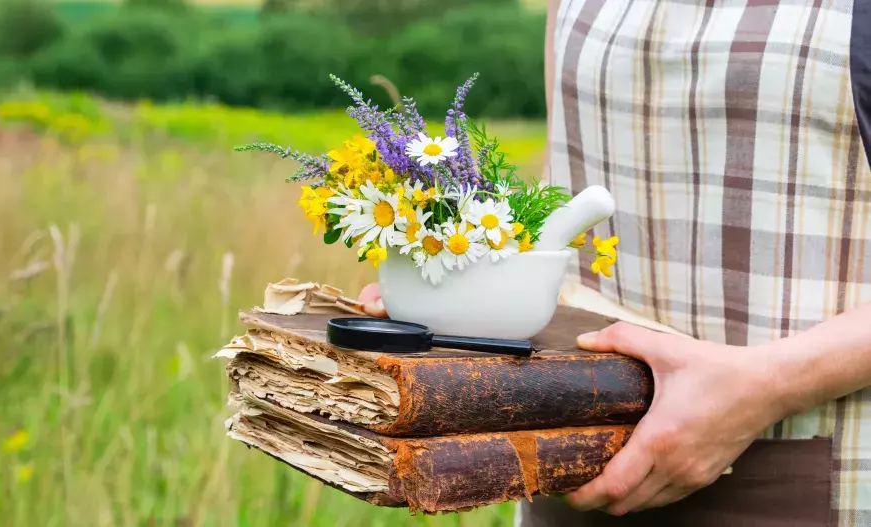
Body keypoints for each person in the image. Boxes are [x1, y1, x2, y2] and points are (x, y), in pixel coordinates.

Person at [360, 0, 871, 525]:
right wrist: (475, 288)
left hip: (808, 476)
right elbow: (565, 178)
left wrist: (767, 385)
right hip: (575, 468)